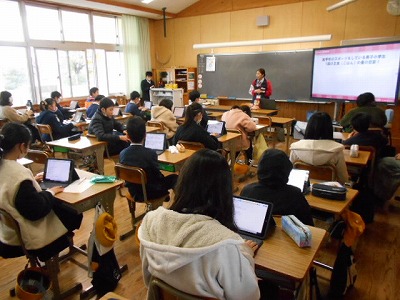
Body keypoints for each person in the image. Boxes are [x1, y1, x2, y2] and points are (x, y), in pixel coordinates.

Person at [138, 149, 260, 299]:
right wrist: (246, 254)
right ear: (224, 191)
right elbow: (249, 296)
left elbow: (148, 279)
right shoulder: (226, 245)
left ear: (183, 181)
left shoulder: (150, 223)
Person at [0, 122, 82, 261]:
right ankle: (63, 245)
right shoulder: (19, 174)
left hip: (6, 233)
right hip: (28, 237)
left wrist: (32, 180)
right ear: (21, 146)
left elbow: (12, 191)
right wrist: (51, 192)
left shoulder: (6, 167)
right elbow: (35, 211)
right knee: (73, 213)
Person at [241, 149, 314, 225]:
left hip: (255, 234)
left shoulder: (247, 191)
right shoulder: (295, 195)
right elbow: (309, 225)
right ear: (287, 171)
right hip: (285, 235)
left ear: (260, 168)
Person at [119, 117, 178, 201]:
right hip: (151, 192)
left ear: (127, 135)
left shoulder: (122, 154)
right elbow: (157, 176)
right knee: (175, 178)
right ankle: (179, 204)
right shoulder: (150, 153)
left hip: (134, 192)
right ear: (145, 135)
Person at [289, 112, 349, 185]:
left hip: (302, 189)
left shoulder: (295, 148)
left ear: (309, 127)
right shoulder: (337, 150)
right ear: (329, 128)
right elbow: (343, 178)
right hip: (328, 191)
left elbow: (290, 173)